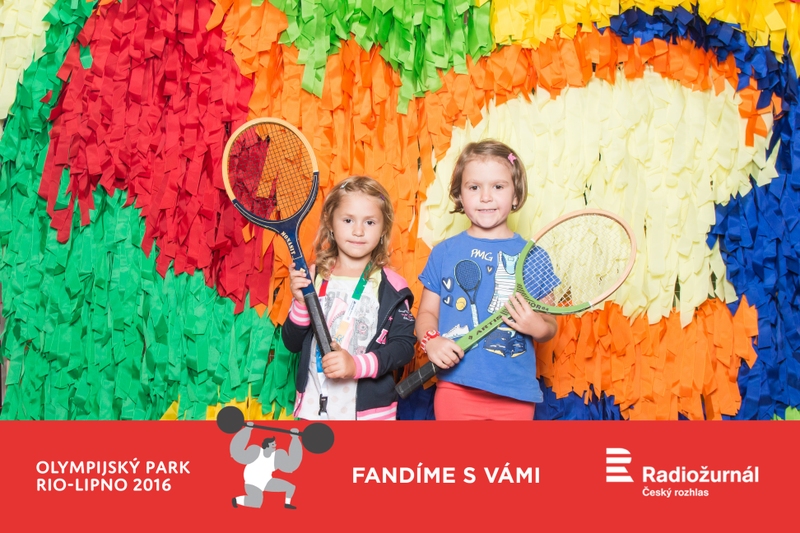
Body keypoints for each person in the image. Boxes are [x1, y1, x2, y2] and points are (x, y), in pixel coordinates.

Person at [417, 140, 559, 420]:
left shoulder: (534, 257)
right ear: (459, 195)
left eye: (498, 186)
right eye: (474, 187)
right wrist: (431, 341)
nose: (485, 197)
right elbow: (427, 314)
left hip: (515, 393)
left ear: (516, 195)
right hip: (456, 390)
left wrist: (537, 327)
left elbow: (551, 325)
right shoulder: (444, 253)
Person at [282, 176, 416, 420]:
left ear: (383, 229)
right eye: (348, 220)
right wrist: (301, 303)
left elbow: (404, 348)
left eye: (370, 222)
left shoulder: (393, 287)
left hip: (370, 417)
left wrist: (356, 365)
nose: (358, 231)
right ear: (330, 222)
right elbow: (291, 343)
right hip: (314, 410)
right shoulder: (314, 276)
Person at [230, 423, 302, 510]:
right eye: (273, 444)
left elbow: (292, 464)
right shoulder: (256, 452)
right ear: (267, 445)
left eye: (275, 444)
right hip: (253, 481)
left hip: (266, 481)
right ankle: (236, 500)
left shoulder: (276, 457)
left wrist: (295, 438)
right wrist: (247, 430)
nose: (275, 446)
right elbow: (238, 452)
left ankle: (287, 504)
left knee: (290, 487)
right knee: (257, 503)